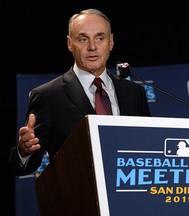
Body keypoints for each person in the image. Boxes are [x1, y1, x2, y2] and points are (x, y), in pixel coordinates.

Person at [9, 8, 151, 176]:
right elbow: (24, 166)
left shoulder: (134, 93)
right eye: (83, 39)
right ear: (70, 43)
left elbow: (147, 148)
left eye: (100, 38)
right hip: (78, 197)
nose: (92, 47)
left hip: (129, 196)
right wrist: (25, 151)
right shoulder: (48, 96)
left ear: (111, 42)